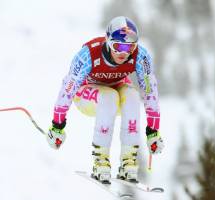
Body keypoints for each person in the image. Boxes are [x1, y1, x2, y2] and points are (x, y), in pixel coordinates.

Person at [46, 16, 164, 183]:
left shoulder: (141, 56)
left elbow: (150, 91)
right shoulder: (88, 55)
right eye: (118, 46)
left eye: (130, 47)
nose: (124, 53)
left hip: (116, 90)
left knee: (132, 95)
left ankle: (128, 161)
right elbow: (67, 89)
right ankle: (100, 161)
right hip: (86, 95)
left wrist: (153, 132)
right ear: (108, 41)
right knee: (109, 96)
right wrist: (57, 126)